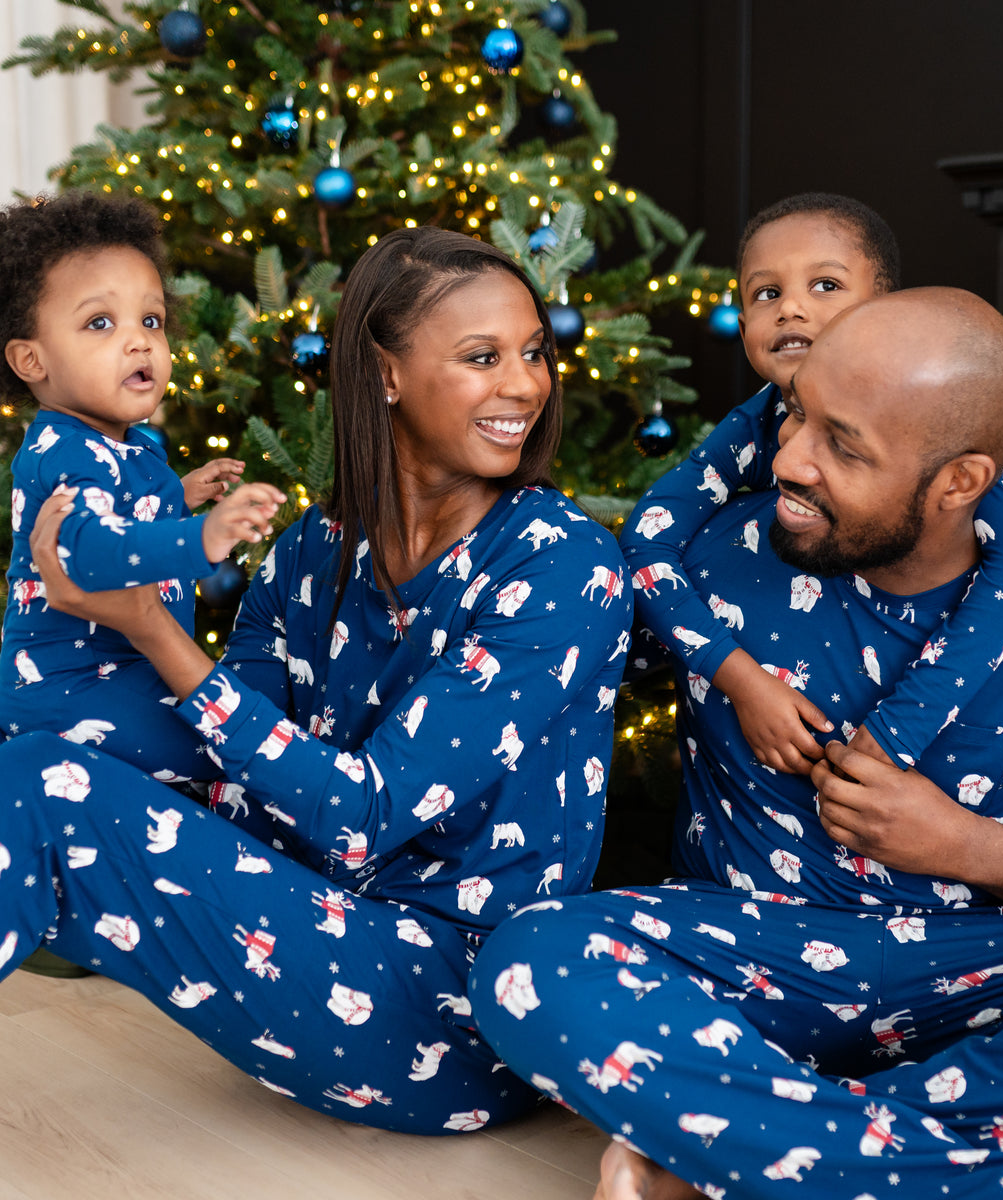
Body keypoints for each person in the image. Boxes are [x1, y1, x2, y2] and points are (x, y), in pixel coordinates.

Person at [472, 288, 1003, 1200]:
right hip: (746, 969)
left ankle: (734, 1149)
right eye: (797, 416)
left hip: (976, 982)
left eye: (843, 445)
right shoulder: (713, 565)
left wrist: (965, 846)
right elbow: (530, 668)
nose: (789, 460)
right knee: (530, 961)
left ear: (959, 484)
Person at [0, 225, 632, 1134]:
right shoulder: (316, 551)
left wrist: (150, 631)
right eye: (484, 356)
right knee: (41, 764)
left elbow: (364, 813)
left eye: (533, 353)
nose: (525, 384)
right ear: (384, 374)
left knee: (35, 787)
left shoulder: (563, 565)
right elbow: (222, 766)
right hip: (309, 934)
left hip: (455, 1016)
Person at [622, 193, 1003, 775]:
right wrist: (742, 681)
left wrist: (901, 729)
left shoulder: (951, 456)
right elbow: (647, 541)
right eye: (766, 293)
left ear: (886, 310)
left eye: (824, 285)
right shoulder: (750, 428)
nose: (791, 309)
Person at [0, 190, 281, 778]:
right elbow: (94, 549)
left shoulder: (132, 446)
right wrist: (200, 537)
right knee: (225, 754)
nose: (139, 340)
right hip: (69, 690)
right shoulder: (61, 449)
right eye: (100, 322)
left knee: (233, 730)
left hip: (127, 671)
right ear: (31, 361)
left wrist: (181, 493)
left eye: (150, 320)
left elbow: (130, 508)